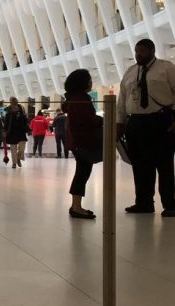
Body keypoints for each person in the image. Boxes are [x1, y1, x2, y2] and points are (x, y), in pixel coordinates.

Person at [117, 38, 175, 217]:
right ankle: (143, 203)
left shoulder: (167, 68)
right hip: (136, 123)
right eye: (136, 51)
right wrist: (119, 123)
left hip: (161, 121)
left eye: (142, 51)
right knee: (140, 165)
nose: (138, 54)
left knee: (164, 164)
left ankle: (170, 204)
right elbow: (122, 100)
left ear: (151, 51)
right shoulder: (130, 72)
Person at [62, 69, 103, 219]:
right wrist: (102, 120)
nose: (91, 82)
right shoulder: (80, 99)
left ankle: (76, 205)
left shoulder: (73, 99)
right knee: (82, 173)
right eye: (89, 79)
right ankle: (77, 207)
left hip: (77, 141)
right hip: (83, 141)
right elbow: (86, 120)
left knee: (82, 172)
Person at [4, 97, 29, 168]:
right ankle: (14, 162)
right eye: (13, 101)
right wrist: (5, 131)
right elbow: (6, 122)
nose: (15, 102)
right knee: (13, 148)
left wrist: (27, 127)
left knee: (22, 147)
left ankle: (18, 158)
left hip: (21, 131)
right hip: (11, 131)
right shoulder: (8, 110)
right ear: (11, 102)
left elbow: (25, 118)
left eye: (16, 101)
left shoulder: (21, 108)